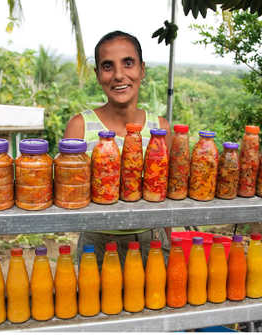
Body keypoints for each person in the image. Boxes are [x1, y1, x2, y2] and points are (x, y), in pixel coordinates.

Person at [64, 31, 171, 266]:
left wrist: (167, 248)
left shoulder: (160, 129)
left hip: (151, 241)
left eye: (128, 63)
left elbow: (168, 197)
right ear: (98, 74)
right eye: (108, 66)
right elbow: (69, 193)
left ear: (142, 69)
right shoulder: (79, 127)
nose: (119, 75)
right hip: (97, 242)